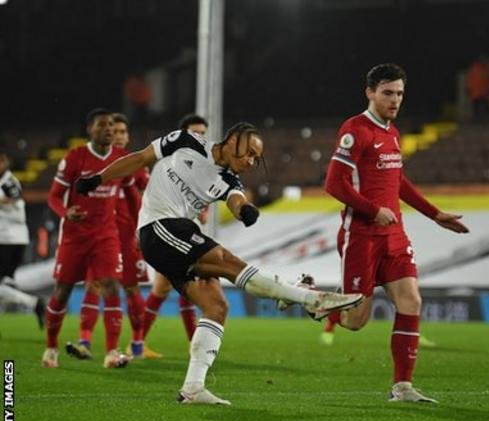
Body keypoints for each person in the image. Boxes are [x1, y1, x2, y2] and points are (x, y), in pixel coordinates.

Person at [75, 122, 363, 404]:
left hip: (179, 235)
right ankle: (307, 298)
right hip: (158, 227)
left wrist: (245, 210)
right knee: (227, 261)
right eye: (249, 153)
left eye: (256, 157)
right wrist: (98, 179)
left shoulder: (230, 180)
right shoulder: (185, 141)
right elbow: (139, 158)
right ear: (232, 141)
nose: (251, 161)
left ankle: (193, 387)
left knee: (216, 306)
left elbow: (235, 200)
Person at [323, 63, 469, 403]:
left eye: (400, 93)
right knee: (357, 320)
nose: (395, 100)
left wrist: (435, 214)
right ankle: (315, 298)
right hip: (360, 236)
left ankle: (402, 387)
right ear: (370, 93)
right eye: (388, 93)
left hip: (394, 237)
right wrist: (373, 210)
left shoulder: (393, 132)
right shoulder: (355, 129)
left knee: (411, 300)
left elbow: (397, 182)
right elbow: (334, 184)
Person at [42, 108, 140, 369]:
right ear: (90, 129)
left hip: (106, 236)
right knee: (61, 292)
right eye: (102, 125)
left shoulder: (121, 158)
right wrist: (66, 212)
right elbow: (53, 196)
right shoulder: (75, 157)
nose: (108, 130)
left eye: (111, 125)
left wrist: (140, 225)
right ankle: (51, 347)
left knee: (111, 287)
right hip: (74, 236)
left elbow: (132, 195)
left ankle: (111, 352)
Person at [68, 113, 149, 361]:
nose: (119, 136)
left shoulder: (134, 164)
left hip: (127, 236)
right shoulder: (98, 164)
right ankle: (85, 341)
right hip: (102, 235)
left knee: (131, 287)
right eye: (116, 131)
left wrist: (141, 229)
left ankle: (137, 343)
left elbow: (146, 193)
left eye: (124, 132)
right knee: (94, 285)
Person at [140, 114, 211, 359]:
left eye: (203, 132)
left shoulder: (203, 166)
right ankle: (137, 344)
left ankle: (141, 344)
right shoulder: (167, 163)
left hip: (185, 232)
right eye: (195, 132)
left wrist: (203, 210)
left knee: (180, 287)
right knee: (162, 289)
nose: (199, 137)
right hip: (164, 232)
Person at [0, 153, 45, 326]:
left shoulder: (9, 181)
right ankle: (34, 304)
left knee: (3, 285)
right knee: (4, 285)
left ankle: (34, 303)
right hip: (8, 238)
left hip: (9, 240)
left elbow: (13, 197)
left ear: (4, 161)